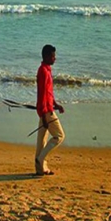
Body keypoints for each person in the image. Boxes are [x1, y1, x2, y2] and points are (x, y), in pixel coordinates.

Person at [35, 44, 65, 176]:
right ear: (46, 57)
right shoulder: (43, 71)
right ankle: (41, 159)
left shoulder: (47, 70)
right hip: (46, 111)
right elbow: (42, 94)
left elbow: (48, 93)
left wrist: (56, 104)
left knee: (42, 140)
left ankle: (40, 168)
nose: (55, 59)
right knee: (59, 136)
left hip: (46, 109)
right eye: (53, 56)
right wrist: (43, 115)